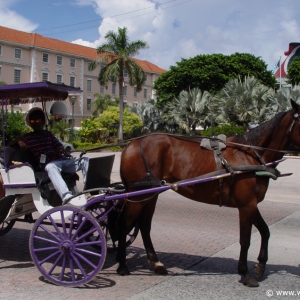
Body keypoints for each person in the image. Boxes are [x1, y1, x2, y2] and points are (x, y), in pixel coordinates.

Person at [8, 107, 89, 204]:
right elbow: (8, 145)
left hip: (62, 161)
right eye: (32, 120)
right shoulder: (27, 137)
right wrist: (18, 140)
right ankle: (66, 196)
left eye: (37, 120)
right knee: (50, 167)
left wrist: (60, 149)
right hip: (49, 165)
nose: (35, 122)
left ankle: (90, 190)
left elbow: (59, 146)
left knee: (85, 159)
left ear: (42, 121)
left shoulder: (49, 134)